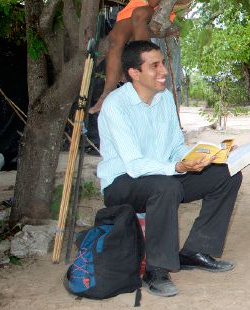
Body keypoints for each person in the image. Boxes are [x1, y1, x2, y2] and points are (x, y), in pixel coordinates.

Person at [97, 40, 241, 297]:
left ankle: (194, 251)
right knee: (166, 186)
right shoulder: (115, 106)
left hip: (165, 176)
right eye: (154, 65)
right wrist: (176, 166)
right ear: (134, 73)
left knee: (227, 173)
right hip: (122, 183)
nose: (163, 70)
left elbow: (176, 147)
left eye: (162, 62)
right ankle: (156, 269)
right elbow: (134, 164)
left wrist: (204, 156)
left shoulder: (163, 99)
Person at [90, 0, 234, 114]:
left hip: (167, 10)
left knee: (139, 16)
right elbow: (151, 0)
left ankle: (143, 73)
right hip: (144, 3)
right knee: (116, 38)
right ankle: (106, 94)